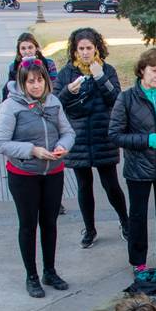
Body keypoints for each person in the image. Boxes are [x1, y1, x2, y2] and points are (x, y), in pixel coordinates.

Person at [0, 57, 75, 298]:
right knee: (28, 225)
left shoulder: (53, 102)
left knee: (49, 223)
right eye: (31, 82)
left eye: (40, 80)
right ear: (22, 83)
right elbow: (0, 142)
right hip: (24, 174)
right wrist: (32, 150)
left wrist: (63, 146)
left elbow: (68, 132)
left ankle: (50, 270)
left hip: (53, 171)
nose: (36, 86)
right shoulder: (11, 106)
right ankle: (32, 275)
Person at [109, 48, 156, 277]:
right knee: (139, 217)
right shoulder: (127, 98)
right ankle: (139, 263)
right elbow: (115, 134)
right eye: (154, 71)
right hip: (138, 169)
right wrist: (145, 141)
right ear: (142, 70)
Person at [53, 28, 127, 249]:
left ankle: (125, 222)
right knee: (84, 186)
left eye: (89, 48)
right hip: (79, 138)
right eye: (81, 49)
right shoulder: (67, 73)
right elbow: (56, 101)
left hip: (103, 136)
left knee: (111, 184)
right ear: (74, 50)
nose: (85, 53)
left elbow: (116, 98)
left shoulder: (107, 70)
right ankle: (90, 229)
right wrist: (69, 90)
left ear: (97, 49)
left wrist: (100, 76)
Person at [3, 33, 58, 102]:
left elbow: (55, 86)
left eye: (30, 47)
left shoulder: (49, 64)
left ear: (36, 48)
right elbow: (10, 89)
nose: (27, 51)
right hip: (22, 102)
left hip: (45, 100)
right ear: (19, 51)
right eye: (23, 48)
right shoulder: (14, 67)